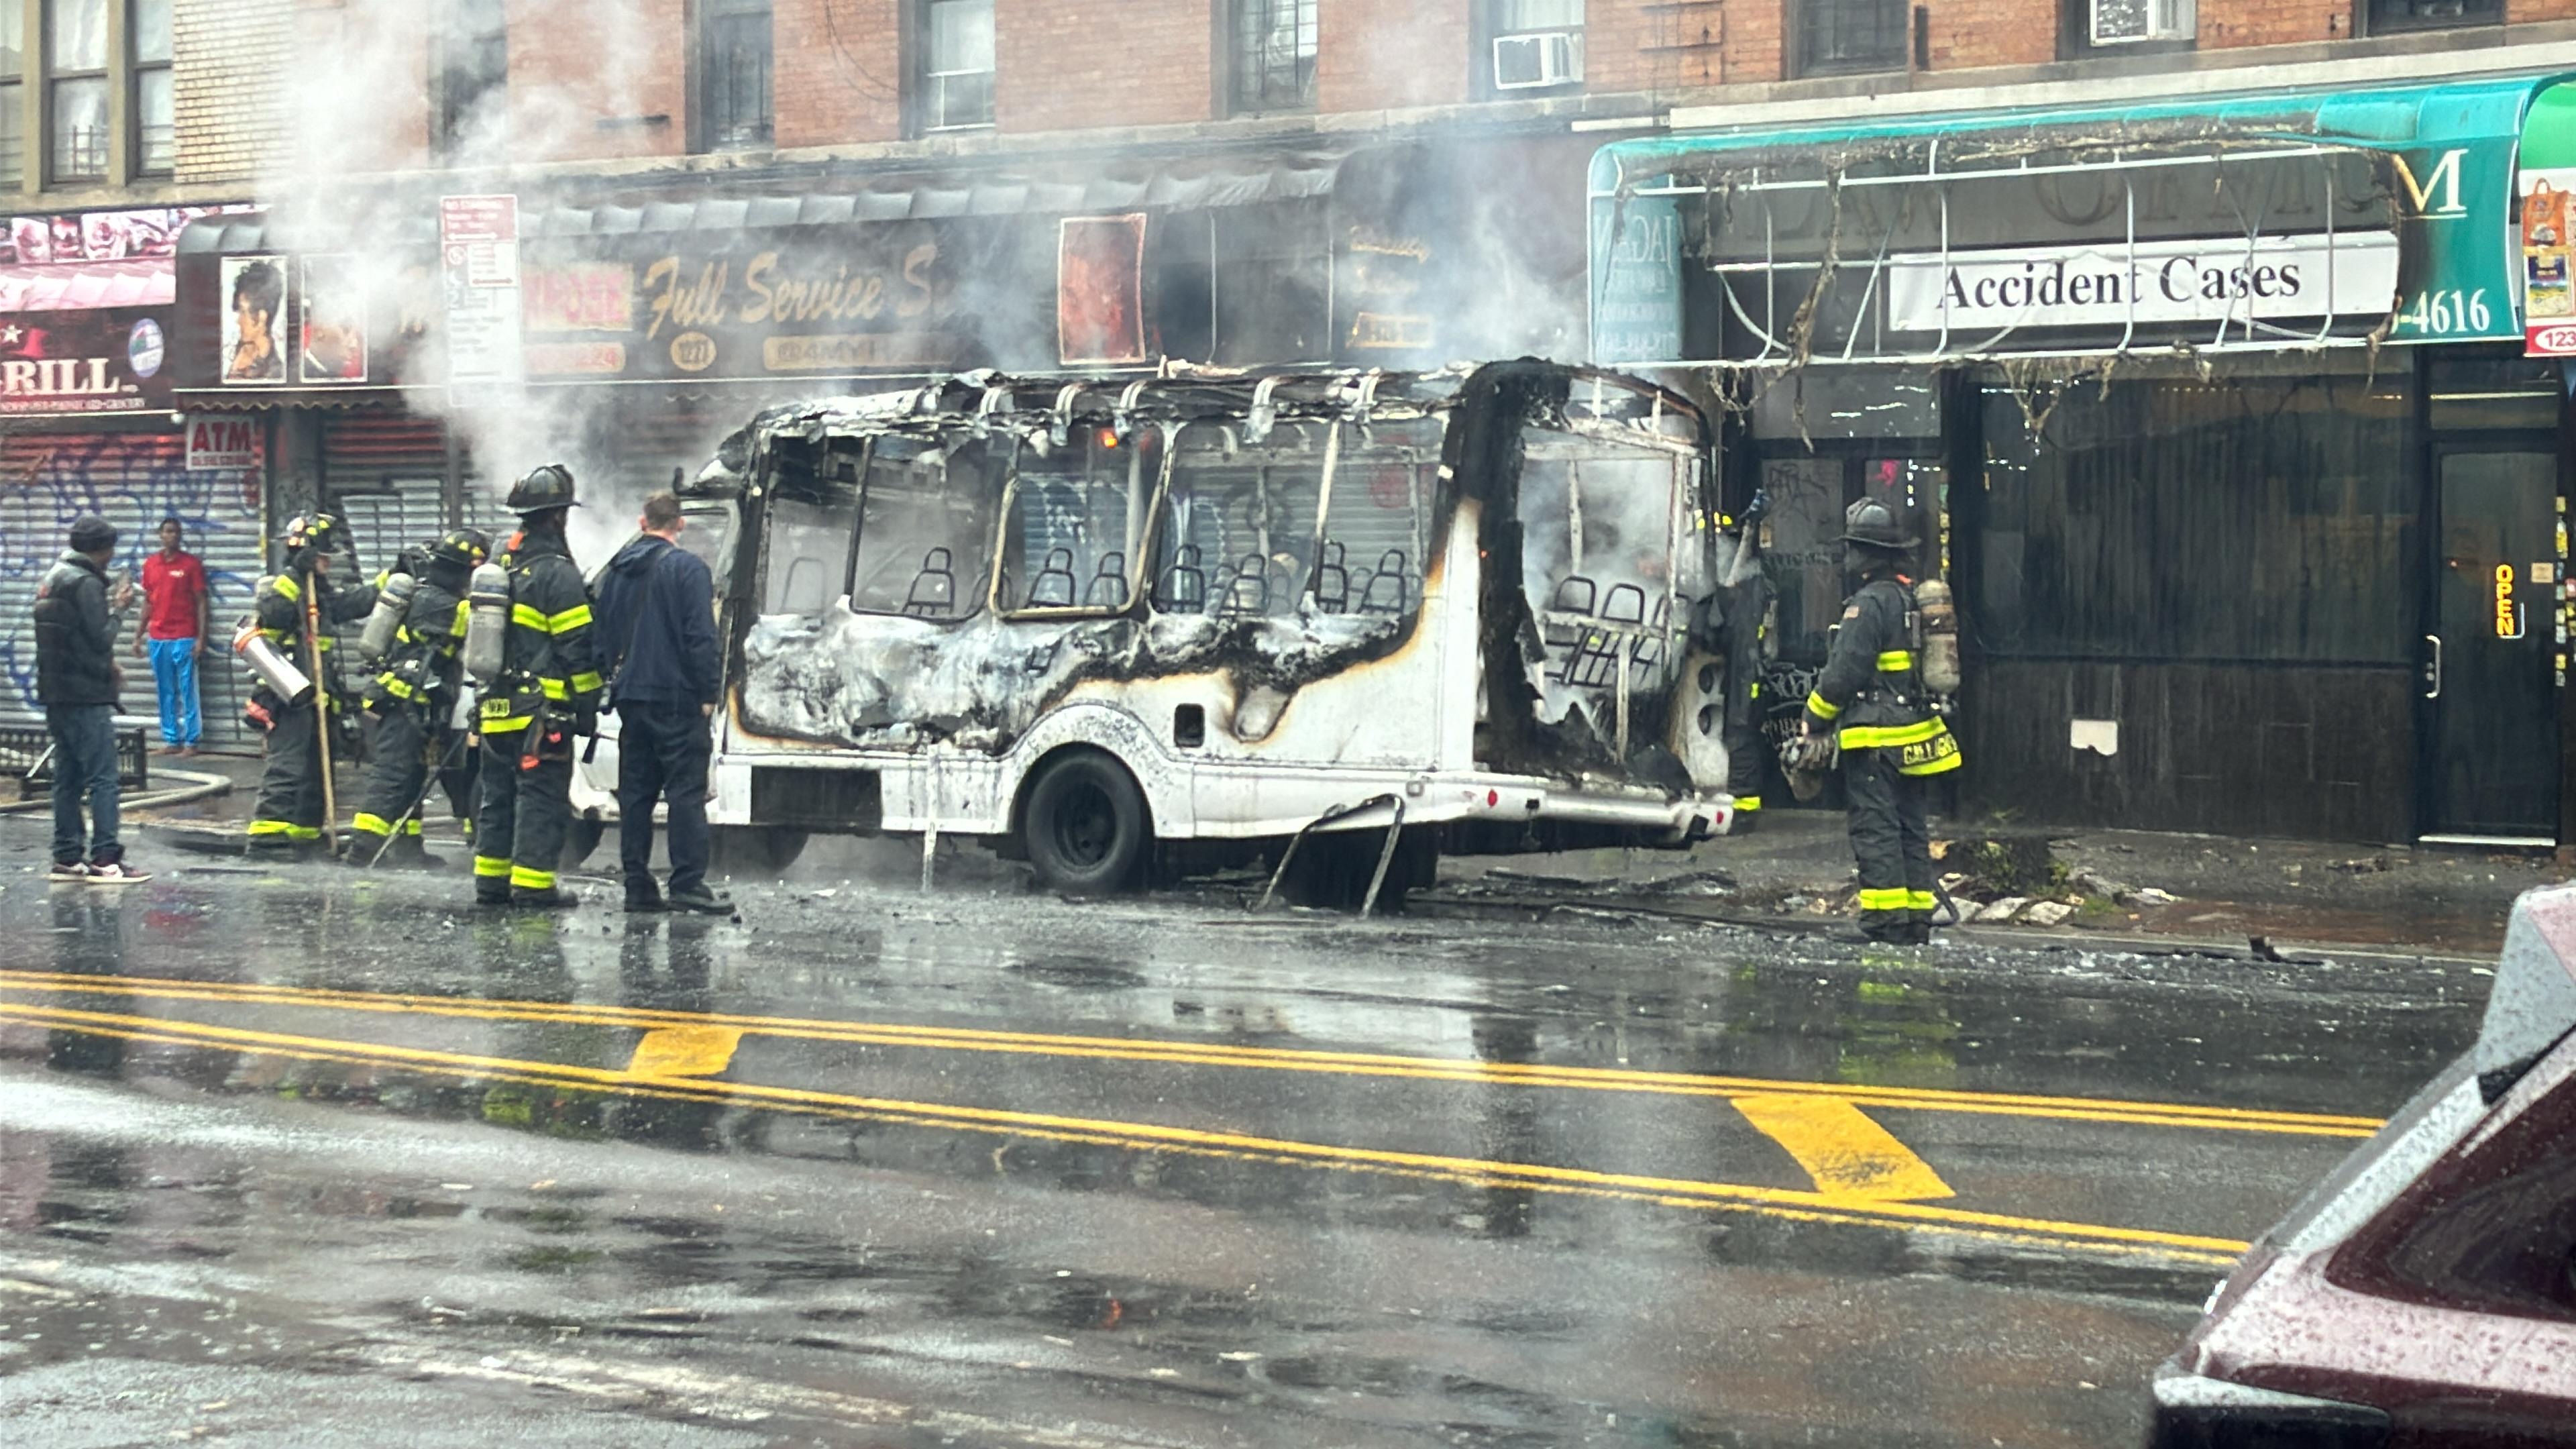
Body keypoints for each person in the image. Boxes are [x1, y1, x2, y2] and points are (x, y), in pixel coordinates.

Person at [1799, 498, 1963, 946]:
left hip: (1876, 738)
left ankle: (1884, 922)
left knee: (1876, 829)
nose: (1848, 557)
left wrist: (1813, 717)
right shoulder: (1908, 598)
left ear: (1867, 554)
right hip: (1913, 738)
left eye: (1853, 548)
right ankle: (1915, 919)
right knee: (1910, 826)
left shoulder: (1868, 604)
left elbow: (1843, 673)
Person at [473, 465, 604, 909]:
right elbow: (576, 646)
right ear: (558, 516)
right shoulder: (556, 573)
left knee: (498, 799)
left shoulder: (499, 568)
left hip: (495, 709)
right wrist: (589, 702)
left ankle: (491, 884)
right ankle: (533, 886)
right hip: (542, 713)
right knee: (541, 799)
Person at [594, 492, 730, 916]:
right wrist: (708, 692)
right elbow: (700, 636)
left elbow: (603, 633)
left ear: (642, 523)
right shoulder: (689, 569)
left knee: (635, 794)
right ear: (681, 524)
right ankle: (687, 884)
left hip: (631, 698)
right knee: (685, 793)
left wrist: (613, 678)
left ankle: (637, 886)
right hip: (677, 699)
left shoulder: (616, 571)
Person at [346, 527, 490, 869]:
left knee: (412, 777)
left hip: (416, 706)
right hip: (404, 705)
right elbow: (476, 626)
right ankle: (362, 852)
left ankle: (407, 849)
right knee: (392, 777)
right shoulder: (442, 604)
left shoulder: (431, 595)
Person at [244, 511, 376, 857]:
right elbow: (273, 613)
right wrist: (295, 572)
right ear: (305, 554)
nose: (328, 563)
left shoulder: (320, 593)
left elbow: (352, 605)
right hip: (289, 696)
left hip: (319, 698)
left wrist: (388, 582)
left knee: (318, 769)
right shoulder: (285, 587)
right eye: (322, 557)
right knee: (287, 765)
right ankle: (266, 838)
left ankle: (305, 834)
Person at [33, 515, 148, 882]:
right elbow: (100, 638)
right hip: (85, 695)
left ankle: (67, 857)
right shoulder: (85, 583)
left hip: (56, 693)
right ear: (102, 549)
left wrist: (107, 664)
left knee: (67, 778)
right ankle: (105, 857)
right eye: (111, 548)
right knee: (103, 779)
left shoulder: (53, 579)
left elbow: (68, 640)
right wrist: (121, 608)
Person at [130, 517, 210, 758]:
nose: (173, 535)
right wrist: (138, 635)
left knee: (188, 690)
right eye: (168, 531)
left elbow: (201, 602)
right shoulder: (151, 565)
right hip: (158, 636)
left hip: (184, 635)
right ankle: (171, 739)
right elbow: (148, 602)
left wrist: (201, 638)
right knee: (165, 689)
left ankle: (192, 741)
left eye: (176, 532)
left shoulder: (191, 565)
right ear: (160, 535)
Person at [224, 260, 284, 382]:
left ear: (261, 318)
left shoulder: (274, 375)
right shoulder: (237, 353)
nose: (238, 321)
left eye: (243, 312)